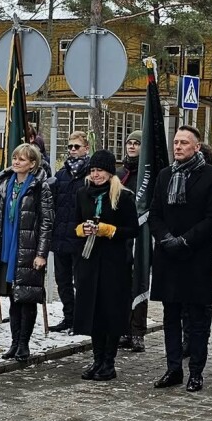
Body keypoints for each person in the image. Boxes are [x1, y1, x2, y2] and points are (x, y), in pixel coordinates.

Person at [150, 125, 212, 392]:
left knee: (197, 319)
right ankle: (173, 368)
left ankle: (196, 371)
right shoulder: (164, 175)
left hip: (195, 257)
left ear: (196, 147)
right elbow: (155, 213)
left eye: (184, 143)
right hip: (167, 256)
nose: (178, 147)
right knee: (170, 316)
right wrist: (167, 239)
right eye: (176, 142)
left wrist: (185, 241)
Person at [71, 150, 137, 381]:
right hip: (88, 260)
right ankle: (97, 359)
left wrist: (110, 230)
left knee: (110, 312)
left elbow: (133, 229)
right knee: (94, 312)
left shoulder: (123, 196)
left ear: (110, 172)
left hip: (113, 262)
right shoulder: (82, 193)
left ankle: (109, 362)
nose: (96, 174)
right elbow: (74, 223)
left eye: (100, 170)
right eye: (93, 170)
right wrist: (82, 229)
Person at [0, 143, 53, 361]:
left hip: (27, 249)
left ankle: (24, 343)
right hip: (6, 248)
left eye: (22, 159)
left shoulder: (39, 186)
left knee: (27, 298)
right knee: (12, 298)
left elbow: (46, 222)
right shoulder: (6, 184)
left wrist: (41, 253)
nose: (16, 162)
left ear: (32, 164)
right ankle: (14, 342)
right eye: (14, 158)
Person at [49, 131, 90, 331]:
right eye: (70, 147)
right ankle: (69, 316)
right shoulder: (61, 174)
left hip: (81, 237)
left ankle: (81, 320)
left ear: (86, 148)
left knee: (81, 282)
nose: (72, 150)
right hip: (61, 235)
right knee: (62, 280)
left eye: (76, 146)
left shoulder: (91, 174)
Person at [118, 131, 147, 352]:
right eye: (129, 142)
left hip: (141, 235)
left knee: (139, 282)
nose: (132, 146)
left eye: (137, 143)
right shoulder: (120, 174)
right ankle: (123, 329)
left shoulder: (147, 175)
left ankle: (138, 331)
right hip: (122, 235)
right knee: (122, 284)